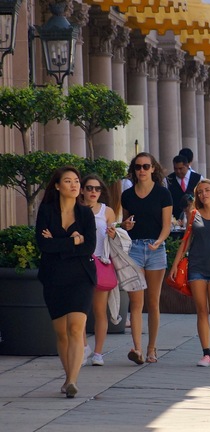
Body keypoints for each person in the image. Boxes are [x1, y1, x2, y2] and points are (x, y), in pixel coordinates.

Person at [36, 166, 97, 398]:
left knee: (75, 327)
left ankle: (72, 381)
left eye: (77, 181)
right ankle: (67, 376)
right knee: (61, 332)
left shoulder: (85, 214)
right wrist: (73, 241)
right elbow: (44, 246)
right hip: (53, 277)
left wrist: (60, 241)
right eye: (68, 181)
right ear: (58, 186)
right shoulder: (47, 211)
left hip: (82, 276)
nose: (74, 185)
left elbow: (89, 246)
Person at [168, 179, 210, 367]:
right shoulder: (194, 214)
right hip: (196, 266)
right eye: (200, 192)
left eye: (207, 190)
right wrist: (175, 265)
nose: (203, 194)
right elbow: (185, 241)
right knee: (201, 310)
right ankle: (206, 354)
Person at [121, 152, 173, 365]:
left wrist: (159, 242)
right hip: (133, 248)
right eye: (137, 167)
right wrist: (126, 226)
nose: (141, 170)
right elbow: (124, 223)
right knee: (135, 302)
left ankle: (152, 348)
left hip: (155, 248)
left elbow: (167, 226)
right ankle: (138, 349)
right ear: (134, 171)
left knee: (153, 301)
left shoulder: (163, 194)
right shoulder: (127, 195)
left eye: (145, 166)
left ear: (153, 169)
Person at [80, 174, 117, 366]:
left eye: (97, 189)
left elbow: (114, 237)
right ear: (82, 190)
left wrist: (115, 232)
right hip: (82, 263)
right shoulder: (75, 210)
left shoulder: (106, 211)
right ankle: (84, 347)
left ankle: (98, 353)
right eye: (89, 188)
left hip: (101, 261)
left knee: (100, 310)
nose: (93, 192)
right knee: (81, 310)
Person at [167, 154, 202, 220]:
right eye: (175, 169)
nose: (178, 171)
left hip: (195, 217)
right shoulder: (168, 180)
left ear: (187, 166)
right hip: (175, 218)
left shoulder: (198, 178)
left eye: (181, 168)